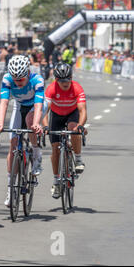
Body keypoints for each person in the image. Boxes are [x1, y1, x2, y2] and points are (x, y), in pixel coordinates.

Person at [0, 55, 47, 207]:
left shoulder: (37, 80)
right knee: (13, 144)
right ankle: (11, 190)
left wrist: (36, 123)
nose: (18, 83)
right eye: (15, 80)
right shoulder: (7, 79)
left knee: (30, 122)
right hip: (19, 105)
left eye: (21, 80)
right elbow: (3, 103)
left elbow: (38, 105)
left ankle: (36, 153)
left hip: (36, 106)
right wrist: (0, 124)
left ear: (27, 73)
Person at [43, 62, 87, 199]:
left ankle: (78, 160)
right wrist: (45, 127)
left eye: (68, 79)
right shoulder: (51, 89)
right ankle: (56, 182)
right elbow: (44, 112)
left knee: (73, 129)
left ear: (71, 77)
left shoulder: (77, 88)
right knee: (55, 149)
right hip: (56, 117)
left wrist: (81, 125)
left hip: (72, 114)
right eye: (62, 80)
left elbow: (83, 111)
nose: (65, 83)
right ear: (56, 80)